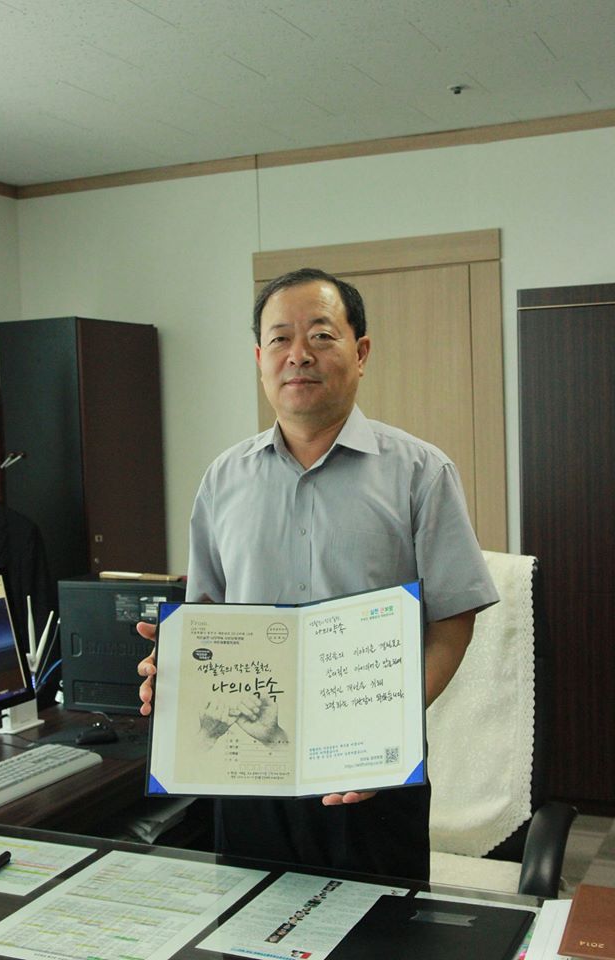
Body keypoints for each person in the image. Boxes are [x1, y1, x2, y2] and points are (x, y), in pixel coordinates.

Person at [138, 267, 498, 879]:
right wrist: (171, 669)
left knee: (383, 925)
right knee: (249, 921)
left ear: (361, 352)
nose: (298, 355)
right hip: (246, 769)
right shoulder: (223, 479)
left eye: (321, 336)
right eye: (279, 339)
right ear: (260, 359)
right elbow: (207, 619)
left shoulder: (420, 473)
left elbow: (452, 622)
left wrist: (387, 733)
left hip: (371, 772)